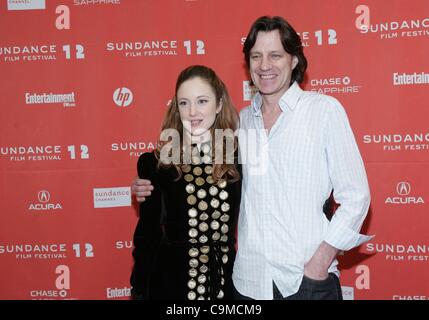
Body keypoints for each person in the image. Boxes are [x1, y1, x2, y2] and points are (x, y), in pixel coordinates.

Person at [132, 16, 372, 300]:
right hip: (247, 285)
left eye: (275, 55)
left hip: (305, 283)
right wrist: (148, 185)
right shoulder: (240, 124)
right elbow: (195, 172)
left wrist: (320, 262)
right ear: (248, 64)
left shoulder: (324, 111)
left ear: (294, 60)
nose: (265, 65)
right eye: (256, 56)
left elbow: (357, 197)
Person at [130, 65, 241, 300]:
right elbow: (147, 234)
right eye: (184, 103)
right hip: (170, 287)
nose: (192, 111)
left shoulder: (238, 158)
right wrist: (139, 289)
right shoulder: (156, 164)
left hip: (226, 286)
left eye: (202, 101)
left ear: (219, 104)